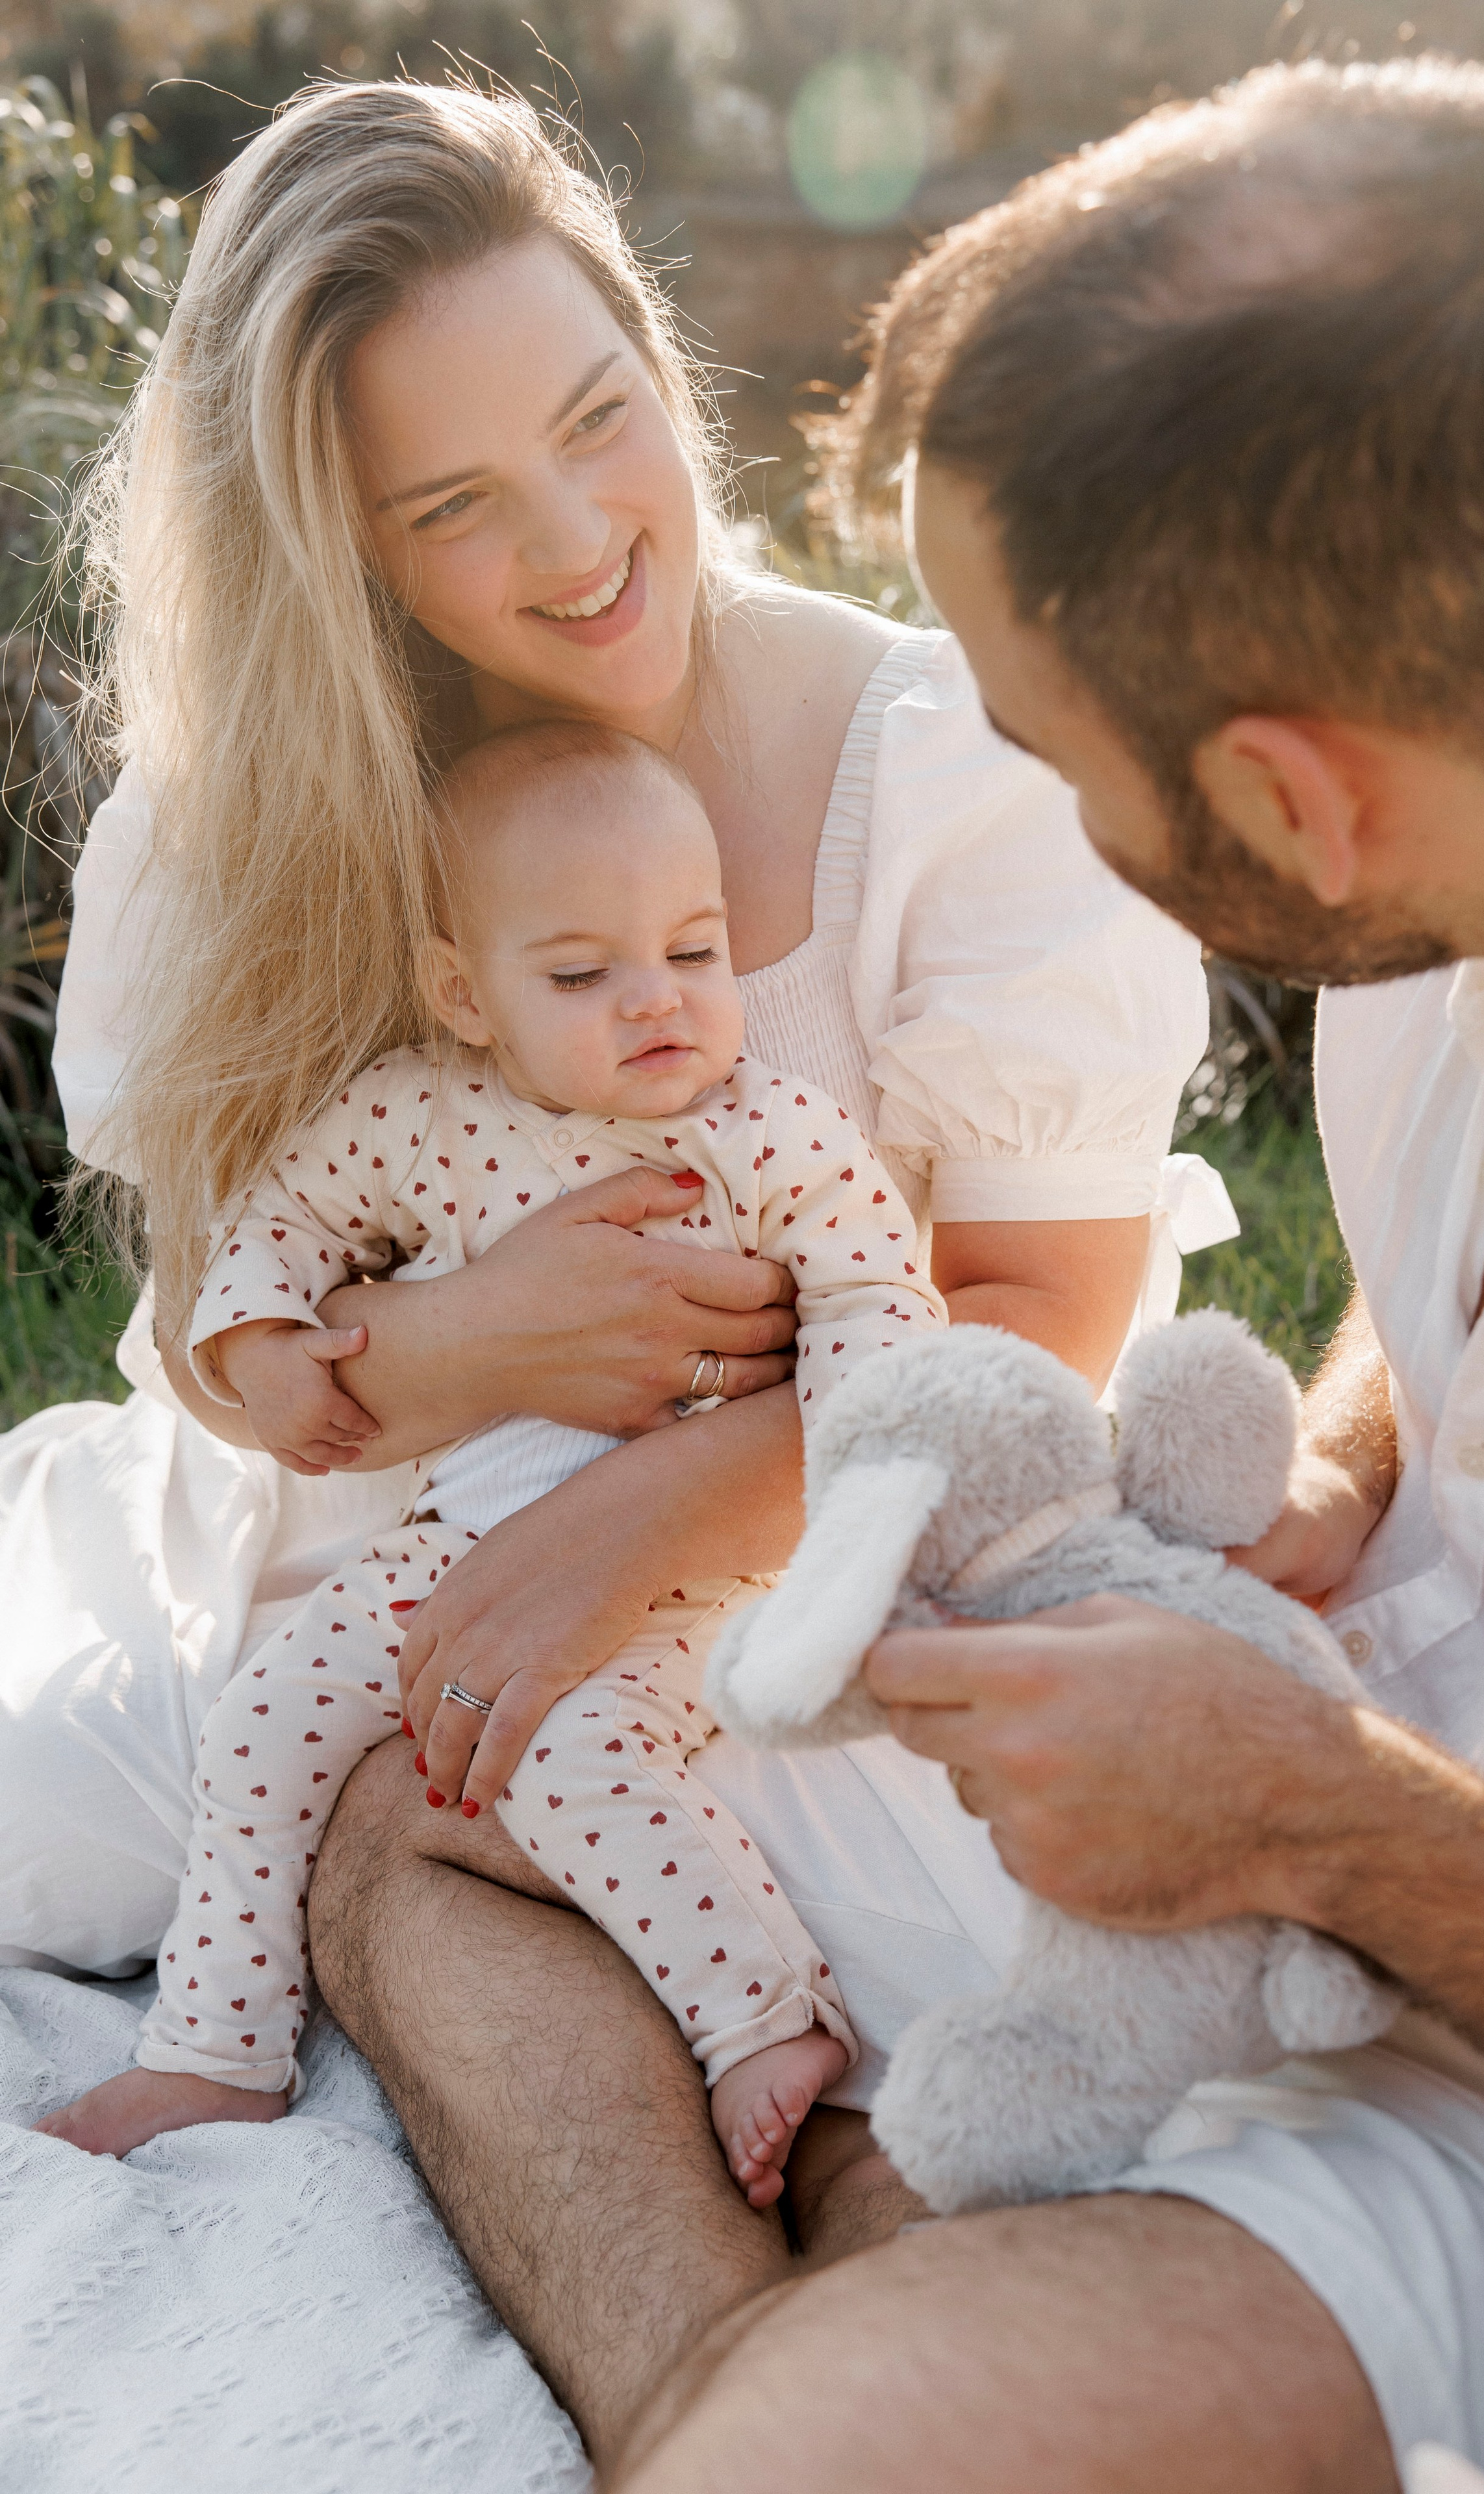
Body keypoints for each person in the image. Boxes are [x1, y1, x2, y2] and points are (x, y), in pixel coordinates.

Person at [7, 69, 1218, 2463]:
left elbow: (1035, 1325)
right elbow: (208, 1338)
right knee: (158, 1798)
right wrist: (433, 1352)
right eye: (455, 509)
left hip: (811, 1560)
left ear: (662, 361)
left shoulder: (935, 769)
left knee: (809, 1891)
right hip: (317, 1545)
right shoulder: (270, 821)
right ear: (338, 563)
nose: (580, 545)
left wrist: (626, 1524)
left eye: (600, 421)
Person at [592, 55, 1484, 2494]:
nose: (1058, 833)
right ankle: (797, 2340)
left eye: (1065, 760)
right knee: (459, 1783)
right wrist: (1347, 1457)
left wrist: (1332, 1827)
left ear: (1297, 795)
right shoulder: (1454, 896)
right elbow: (1479, 1322)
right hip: (1253, 1807)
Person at [35, 718, 948, 2199]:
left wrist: (850, 1488)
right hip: (444, 1548)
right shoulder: (418, 1116)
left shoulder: (771, 1134)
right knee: (265, 1719)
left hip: (689, 1568)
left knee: (580, 1753)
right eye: (583, 975)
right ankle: (217, 2041)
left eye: (696, 953)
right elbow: (274, 1224)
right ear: (464, 991)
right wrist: (267, 1340)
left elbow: (873, 1300)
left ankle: (763, 2019)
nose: (656, 1003)